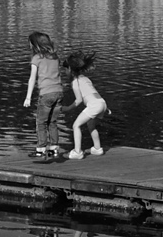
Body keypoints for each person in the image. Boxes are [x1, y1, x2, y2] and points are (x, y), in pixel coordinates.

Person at [23, 31, 66, 159]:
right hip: (58, 92)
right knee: (52, 121)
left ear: (34, 45)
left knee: (41, 122)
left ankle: (41, 149)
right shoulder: (55, 57)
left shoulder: (36, 58)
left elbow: (32, 78)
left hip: (46, 94)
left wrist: (28, 97)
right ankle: (54, 148)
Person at [63, 51, 109, 159]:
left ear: (70, 69)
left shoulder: (75, 82)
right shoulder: (85, 79)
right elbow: (94, 93)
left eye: (65, 69)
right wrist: (105, 108)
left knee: (76, 125)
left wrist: (67, 108)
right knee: (91, 125)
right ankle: (97, 149)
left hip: (94, 105)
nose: (64, 72)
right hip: (102, 102)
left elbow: (78, 100)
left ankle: (77, 152)